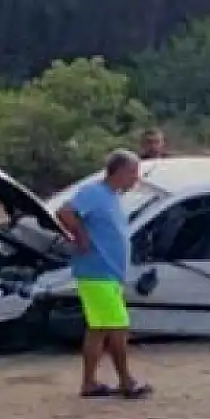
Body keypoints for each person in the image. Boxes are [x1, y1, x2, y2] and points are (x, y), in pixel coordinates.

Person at [57, 149, 153, 399]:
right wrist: (81, 237)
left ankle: (89, 382)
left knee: (98, 329)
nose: (136, 178)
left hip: (106, 272)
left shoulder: (111, 197)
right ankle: (126, 381)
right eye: (133, 173)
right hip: (97, 272)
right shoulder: (94, 193)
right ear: (119, 171)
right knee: (118, 327)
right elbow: (65, 212)